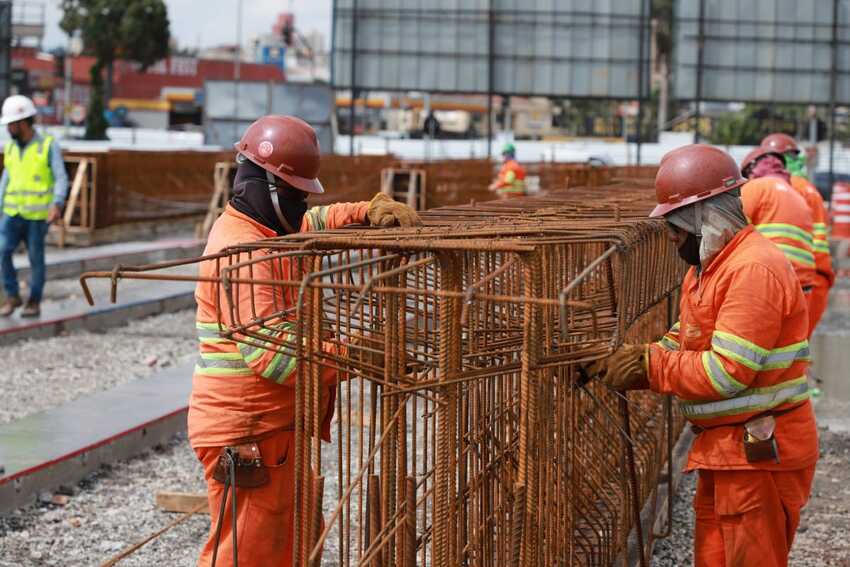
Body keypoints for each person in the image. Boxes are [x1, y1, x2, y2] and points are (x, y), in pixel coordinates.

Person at [189, 115, 421, 567]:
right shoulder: (246, 251)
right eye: (295, 193)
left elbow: (311, 220)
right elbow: (274, 357)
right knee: (249, 555)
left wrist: (362, 214)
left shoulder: (263, 227)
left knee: (282, 547)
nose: (300, 205)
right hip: (248, 429)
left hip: (268, 425)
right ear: (269, 187)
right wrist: (355, 354)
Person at [588, 144, 818, 567]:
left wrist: (648, 367)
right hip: (727, 452)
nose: (674, 239)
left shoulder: (752, 270)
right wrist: (635, 357)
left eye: (676, 228)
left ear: (704, 218)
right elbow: (683, 341)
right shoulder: (710, 269)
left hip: (759, 456)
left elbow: (727, 372)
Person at [0, 95, 68, 318]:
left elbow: (60, 177)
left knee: (35, 259)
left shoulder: (47, 146)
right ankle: (12, 295)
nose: (9, 128)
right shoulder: (10, 148)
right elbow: (6, 179)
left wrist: (56, 203)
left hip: (38, 217)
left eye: (12, 124)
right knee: (2, 251)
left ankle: (34, 301)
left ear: (25, 122)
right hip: (12, 213)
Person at [740, 146, 819, 335]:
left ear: (752, 169)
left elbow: (732, 235)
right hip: (803, 287)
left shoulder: (754, 188)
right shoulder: (798, 197)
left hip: (771, 283)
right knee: (787, 351)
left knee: (751, 348)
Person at [761, 133, 834, 331]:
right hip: (815, 278)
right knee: (796, 350)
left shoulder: (778, 187)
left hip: (794, 279)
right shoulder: (808, 188)